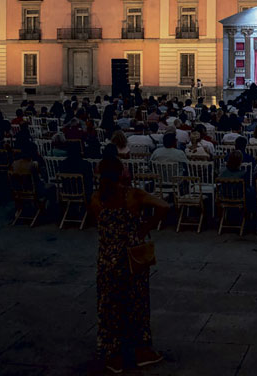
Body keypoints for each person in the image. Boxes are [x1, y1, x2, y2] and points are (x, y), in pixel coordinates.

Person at [90, 150, 168, 373]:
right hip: (132, 257)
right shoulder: (132, 195)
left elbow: (101, 224)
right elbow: (164, 206)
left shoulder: (96, 198)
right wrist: (145, 227)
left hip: (107, 258)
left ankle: (112, 354)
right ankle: (142, 350)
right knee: (137, 305)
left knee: (109, 306)